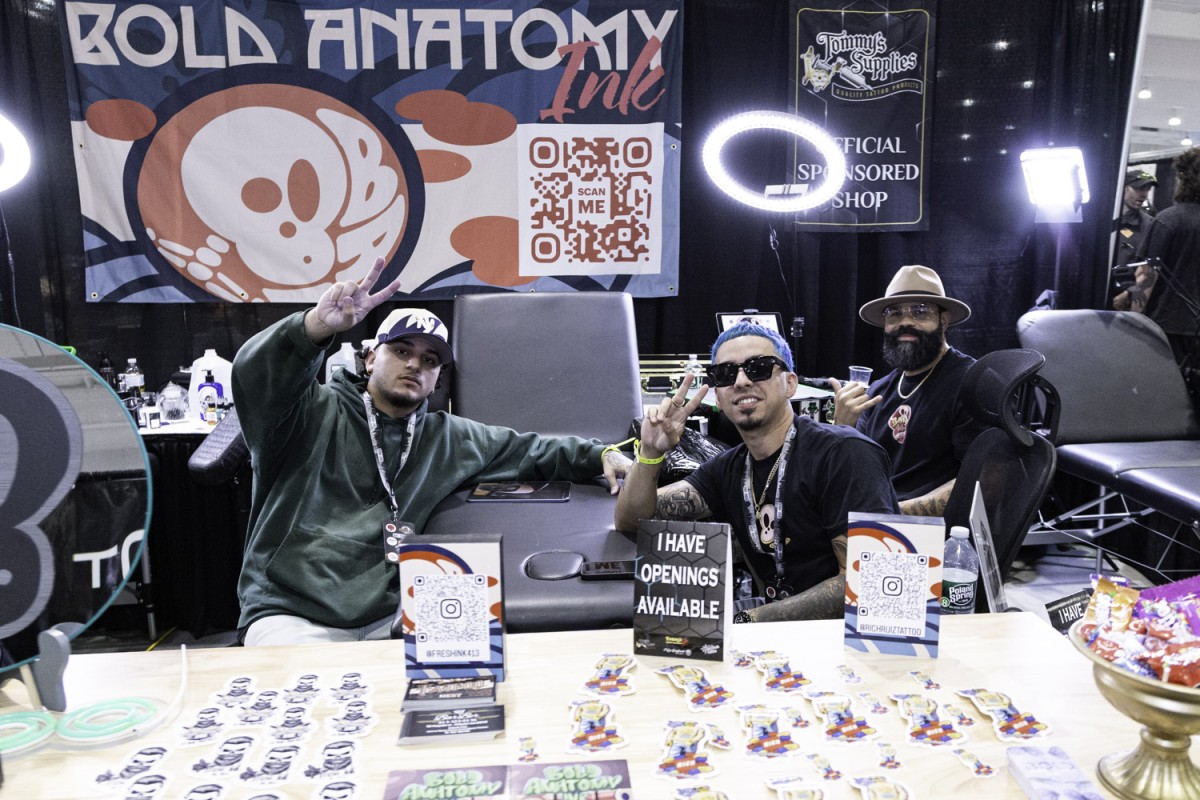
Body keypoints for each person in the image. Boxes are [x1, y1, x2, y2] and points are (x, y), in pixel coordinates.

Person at [233, 258, 631, 646]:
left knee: (478, 665)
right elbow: (256, 375)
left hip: (389, 617)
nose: (415, 365)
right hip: (293, 613)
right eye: (401, 351)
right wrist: (314, 328)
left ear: (438, 377)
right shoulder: (307, 412)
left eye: (430, 360)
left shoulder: (447, 437)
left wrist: (601, 454)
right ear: (370, 358)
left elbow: (530, 449)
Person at [614, 322, 898, 623]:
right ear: (717, 397)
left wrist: (751, 620)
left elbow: (869, 582)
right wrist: (650, 452)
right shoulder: (730, 468)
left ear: (790, 383)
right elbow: (632, 521)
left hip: (848, 639)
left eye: (758, 368)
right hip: (773, 635)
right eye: (726, 373)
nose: (741, 381)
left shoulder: (845, 453)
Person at [831, 265, 987, 517]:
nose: (905, 322)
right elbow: (855, 472)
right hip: (874, 520)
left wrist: (890, 513)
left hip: (935, 531)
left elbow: (985, 479)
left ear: (943, 321)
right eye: (894, 313)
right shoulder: (878, 392)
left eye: (920, 311)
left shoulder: (973, 384)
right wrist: (842, 427)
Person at [1138, 147, 1200, 375]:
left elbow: (1146, 276)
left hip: (1168, 328)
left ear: (1183, 178)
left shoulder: (1169, 220)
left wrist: (1134, 322)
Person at [1113, 169, 1158, 313]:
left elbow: (1149, 270)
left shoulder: (1149, 226)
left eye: (1147, 189)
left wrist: (1129, 293)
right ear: (1123, 187)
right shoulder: (1105, 220)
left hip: (1128, 302)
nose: (1144, 194)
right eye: (1139, 188)